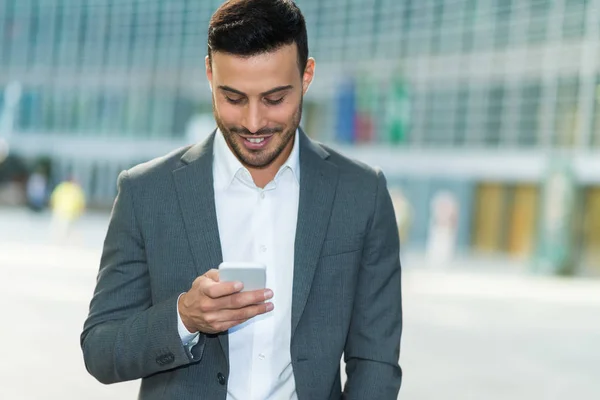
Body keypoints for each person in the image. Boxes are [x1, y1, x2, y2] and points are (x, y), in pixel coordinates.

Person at [81, 1, 402, 399]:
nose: (253, 123)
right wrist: (185, 317)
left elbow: (375, 361)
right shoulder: (146, 191)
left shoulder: (361, 194)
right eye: (233, 98)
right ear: (209, 74)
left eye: (274, 99)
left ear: (307, 76)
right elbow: (100, 349)